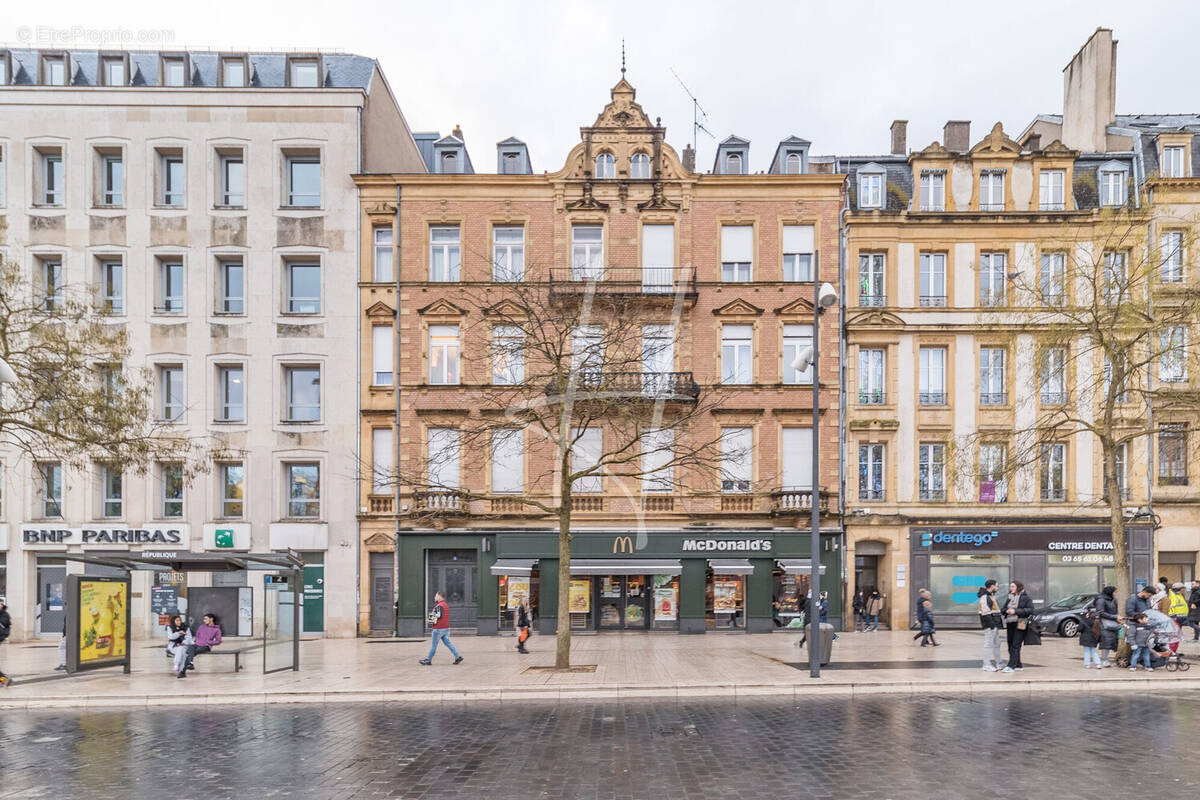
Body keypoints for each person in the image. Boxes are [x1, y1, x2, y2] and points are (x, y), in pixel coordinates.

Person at [419, 591, 463, 665]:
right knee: (449, 644)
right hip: (446, 628)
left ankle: (428, 660)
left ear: (439, 596)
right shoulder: (445, 605)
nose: (434, 597)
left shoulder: (439, 606)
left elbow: (437, 616)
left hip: (438, 629)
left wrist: (429, 619)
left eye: (436, 596)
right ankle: (457, 657)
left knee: (433, 646)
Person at [176, 613, 222, 678]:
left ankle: (183, 672)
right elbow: (197, 636)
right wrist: (195, 641)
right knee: (191, 647)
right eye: (204, 619)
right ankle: (190, 663)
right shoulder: (201, 627)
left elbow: (218, 641)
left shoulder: (217, 629)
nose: (204, 620)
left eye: (206, 619)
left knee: (190, 653)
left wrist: (209, 642)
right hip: (196, 644)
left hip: (206, 646)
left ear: (211, 619)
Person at [1001, 581, 1033, 673]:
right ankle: (1018, 664)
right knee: (1010, 644)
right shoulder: (1010, 598)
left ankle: (1011, 666)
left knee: (1016, 644)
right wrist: (1007, 611)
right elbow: (1002, 609)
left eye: (1013, 586)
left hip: (1021, 622)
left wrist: (1015, 611)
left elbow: (1030, 610)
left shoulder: (1025, 598)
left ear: (1018, 587)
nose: (1011, 588)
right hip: (1010, 622)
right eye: (1010, 586)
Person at [978, 579, 1004, 671]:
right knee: (988, 644)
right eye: (996, 586)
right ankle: (986, 664)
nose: (997, 588)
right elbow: (985, 612)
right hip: (991, 625)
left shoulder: (990, 596)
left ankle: (999, 663)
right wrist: (992, 625)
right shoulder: (985, 597)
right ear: (992, 586)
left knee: (997, 643)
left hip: (994, 624)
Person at [1094, 586, 1121, 667]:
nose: (1116, 594)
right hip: (1104, 624)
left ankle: (1106, 660)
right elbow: (1100, 612)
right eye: (1115, 592)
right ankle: (1104, 660)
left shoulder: (1113, 600)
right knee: (1106, 642)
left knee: (1111, 641)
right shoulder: (1101, 600)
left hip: (1113, 623)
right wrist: (1115, 617)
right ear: (1110, 592)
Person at [0, 597, 12, 687]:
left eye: (0, 604)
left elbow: (3, 624)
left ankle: (4, 679)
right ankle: (4, 679)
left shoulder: (4, 614)